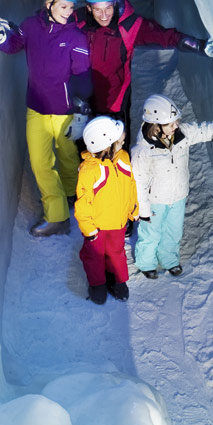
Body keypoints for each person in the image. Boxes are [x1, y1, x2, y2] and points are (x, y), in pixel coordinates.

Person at [0, 0, 92, 236]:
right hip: (36, 108)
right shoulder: (30, 26)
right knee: (40, 163)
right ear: (49, 3)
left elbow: (83, 77)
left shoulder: (75, 37)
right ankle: (57, 218)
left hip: (64, 111)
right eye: (63, 6)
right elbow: (13, 46)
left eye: (71, 7)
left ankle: (71, 193)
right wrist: (1, 39)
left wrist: (80, 111)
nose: (68, 12)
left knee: (67, 156)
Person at [78, 0, 213, 127]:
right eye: (98, 9)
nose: (104, 16)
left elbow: (164, 36)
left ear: (115, 4)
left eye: (108, 8)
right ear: (89, 8)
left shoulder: (129, 26)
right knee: (84, 144)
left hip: (114, 102)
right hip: (83, 98)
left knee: (116, 146)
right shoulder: (79, 22)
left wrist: (197, 45)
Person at [131, 93, 213, 278]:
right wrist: (144, 209)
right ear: (156, 126)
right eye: (171, 124)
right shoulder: (143, 150)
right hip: (155, 200)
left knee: (173, 231)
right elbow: (138, 181)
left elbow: (204, 131)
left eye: (176, 122)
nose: (176, 126)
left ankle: (169, 260)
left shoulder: (182, 135)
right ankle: (146, 263)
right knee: (151, 233)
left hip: (178, 195)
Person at [74, 116, 138, 304]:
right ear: (106, 146)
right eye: (120, 140)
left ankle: (117, 281)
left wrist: (133, 208)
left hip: (118, 223)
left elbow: (131, 185)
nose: (124, 140)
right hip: (97, 228)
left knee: (116, 253)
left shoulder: (123, 158)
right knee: (94, 256)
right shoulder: (89, 170)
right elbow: (83, 203)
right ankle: (97, 285)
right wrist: (89, 229)